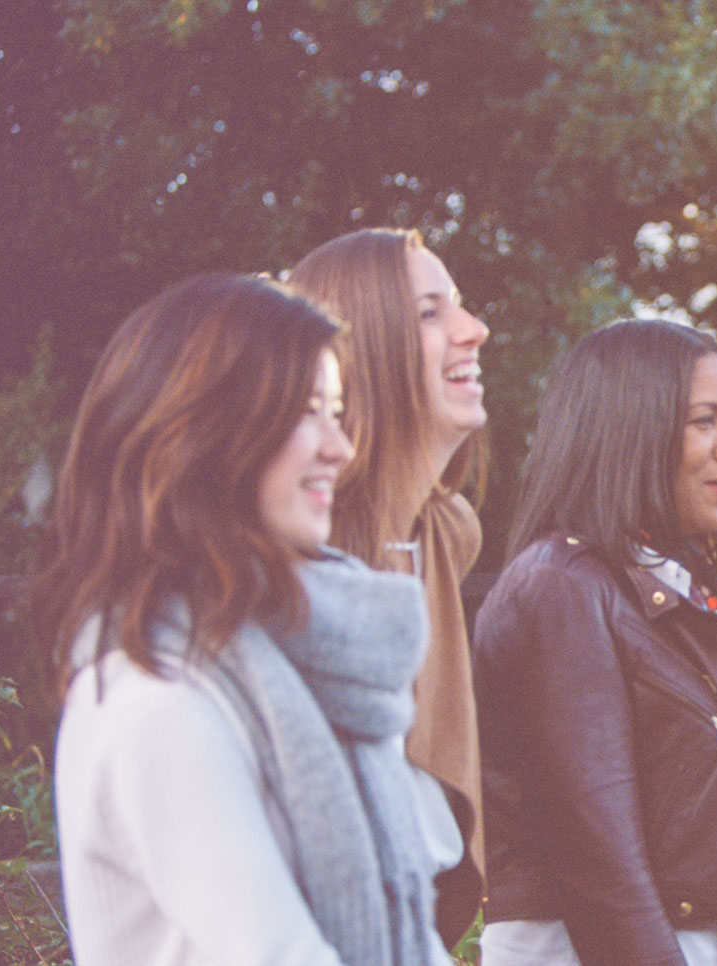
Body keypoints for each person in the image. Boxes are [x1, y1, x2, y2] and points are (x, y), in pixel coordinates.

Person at [39, 274, 451, 965]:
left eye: (336, 410)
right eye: (305, 413)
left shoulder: (288, 668)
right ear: (202, 434)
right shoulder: (155, 701)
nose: (340, 448)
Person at [472, 321, 717, 966]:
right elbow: (600, 864)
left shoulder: (686, 598)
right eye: (704, 421)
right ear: (627, 429)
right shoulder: (562, 588)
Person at [287, 228, 489, 939]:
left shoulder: (447, 535)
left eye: (459, 306)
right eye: (431, 312)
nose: (475, 330)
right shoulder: (289, 566)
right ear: (362, 347)